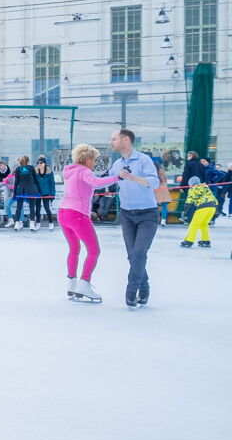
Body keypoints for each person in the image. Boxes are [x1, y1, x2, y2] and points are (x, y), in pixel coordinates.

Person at [58, 144, 121, 303]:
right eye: (94, 160)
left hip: (63, 213)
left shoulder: (70, 171)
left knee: (74, 248)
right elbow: (96, 182)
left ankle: (71, 284)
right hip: (77, 215)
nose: (95, 163)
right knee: (94, 250)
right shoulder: (84, 171)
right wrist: (117, 178)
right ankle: (84, 284)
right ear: (87, 159)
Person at [106, 128, 160, 309]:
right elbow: (106, 181)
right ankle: (144, 288)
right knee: (132, 255)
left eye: (114, 139)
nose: (111, 142)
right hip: (127, 215)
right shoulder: (116, 164)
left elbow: (154, 182)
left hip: (147, 215)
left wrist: (131, 177)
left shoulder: (144, 160)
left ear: (126, 139)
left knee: (139, 253)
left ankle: (131, 291)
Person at [179, 177, 218, 249]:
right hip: (212, 207)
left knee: (194, 224)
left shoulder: (193, 188)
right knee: (204, 224)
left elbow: (190, 198)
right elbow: (213, 197)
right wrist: (216, 207)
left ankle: (189, 241)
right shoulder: (206, 187)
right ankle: (205, 240)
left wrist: (186, 207)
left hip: (203, 207)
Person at [10, 155, 41, 230]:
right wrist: (40, 191)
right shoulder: (30, 168)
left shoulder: (19, 169)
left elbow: (16, 182)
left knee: (19, 207)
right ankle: (31, 225)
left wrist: (14, 192)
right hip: (30, 190)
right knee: (31, 207)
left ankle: (17, 224)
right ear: (28, 161)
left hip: (22, 190)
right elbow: (36, 180)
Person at [34, 155, 56, 231]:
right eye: (38, 163)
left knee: (47, 208)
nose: (39, 164)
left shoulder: (49, 172)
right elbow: (34, 183)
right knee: (37, 209)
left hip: (46, 193)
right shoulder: (35, 172)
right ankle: (38, 223)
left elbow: (52, 183)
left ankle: (51, 223)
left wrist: (52, 194)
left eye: (41, 163)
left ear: (44, 163)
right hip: (38, 193)